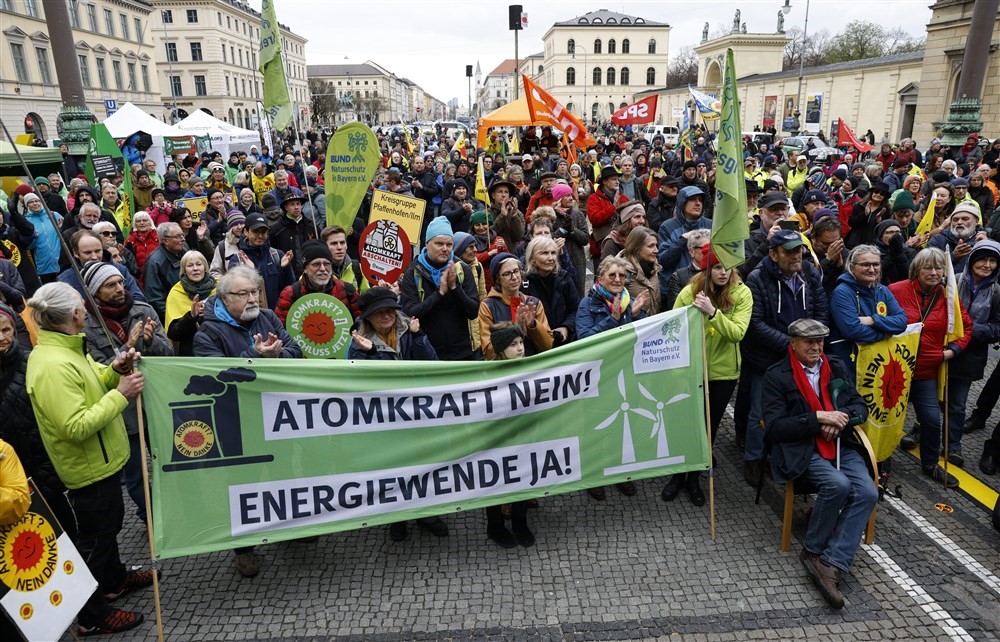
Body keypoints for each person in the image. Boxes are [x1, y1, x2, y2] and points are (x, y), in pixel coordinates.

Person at [25, 282, 151, 634]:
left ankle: (113, 582)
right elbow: (75, 426)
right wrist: (121, 395)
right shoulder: (52, 364)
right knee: (95, 541)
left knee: (108, 529)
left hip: (102, 461)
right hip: (87, 468)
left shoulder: (68, 350)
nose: (85, 309)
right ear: (74, 314)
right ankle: (90, 616)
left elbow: (96, 381)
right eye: (81, 305)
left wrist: (116, 369)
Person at [192, 265, 302, 577]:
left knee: (284, 475)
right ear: (225, 298)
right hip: (236, 421)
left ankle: (288, 527)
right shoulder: (208, 332)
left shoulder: (267, 316)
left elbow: (294, 349)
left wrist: (278, 357)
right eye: (244, 294)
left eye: (254, 291)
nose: (252, 298)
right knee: (243, 487)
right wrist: (253, 358)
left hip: (276, 414)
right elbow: (214, 374)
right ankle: (245, 548)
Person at [763, 318, 875, 610]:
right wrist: (818, 419)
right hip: (803, 448)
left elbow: (860, 405)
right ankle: (813, 550)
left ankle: (830, 561)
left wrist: (842, 418)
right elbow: (774, 427)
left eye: (820, 341)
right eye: (809, 342)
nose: (816, 347)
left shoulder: (835, 365)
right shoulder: (777, 376)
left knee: (867, 493)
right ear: (793, 343)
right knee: (837, 485)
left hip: (840, 443)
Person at [80, 261, 172, 525]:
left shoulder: (142, 309)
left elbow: (168, 354)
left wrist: (151, 341)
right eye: (110, 285)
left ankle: (178, 508)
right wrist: (128, 345)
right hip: (121, 410)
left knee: (169, 461)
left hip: (154, 402)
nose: (120, 288)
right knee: (136, 474)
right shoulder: (85, 324)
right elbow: (96, 370)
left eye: (120, 282)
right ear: (95, 291)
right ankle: (151, 518)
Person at [663, 248, 753, 504]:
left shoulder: (742, 293)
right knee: (686, 424)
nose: (723, 272)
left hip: (722, 373)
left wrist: (713, 313)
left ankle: (694, 477)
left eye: (727, 267)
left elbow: (737, 333)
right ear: (706, 269)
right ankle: (678, 475)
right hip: (690, 370)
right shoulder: (690, 291)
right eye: (716, 267)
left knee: (708, 428)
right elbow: (672, 328)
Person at [742, 230, 830, 486]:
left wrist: (813, 340)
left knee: (795, 410)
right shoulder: (757, 279)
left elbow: (821, 309)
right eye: (789, 251)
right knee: (760, 411)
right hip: (767, 359)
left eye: (799, 250)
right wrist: (792, 346)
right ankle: (753, 459)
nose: (796, 255)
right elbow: (755, 323)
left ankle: (782, 456)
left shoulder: (809, 272)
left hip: (803, 358)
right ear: (773, 253)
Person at [890, 248, 972, 487]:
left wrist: (951, 351)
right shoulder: (895, 290)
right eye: (928, 267)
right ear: (916, 269)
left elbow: (966, 327)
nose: (934, 272)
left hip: (926, 373)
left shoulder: (949, 297)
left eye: (939, 268)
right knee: (888, 419)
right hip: (896, 371)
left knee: (932, 421)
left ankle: (929, 464)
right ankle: (879, 460)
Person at [0, 303, 77, 539]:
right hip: (7, 470)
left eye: (6, 330)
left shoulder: (32, 362)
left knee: (64, 531)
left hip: (42, 463)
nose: (1, 337)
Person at [576, 256, 649, 500]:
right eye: (612, 276)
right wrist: (614, 319)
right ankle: (595, 474)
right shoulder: (587, 304)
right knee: (597, 427)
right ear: (600, 279)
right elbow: (585, 340)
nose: (618, 280)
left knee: (622, 425)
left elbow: (639, 337)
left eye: (622, 276)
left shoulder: (628, 301)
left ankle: (620, 473)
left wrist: (636, 315)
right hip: (598, 377)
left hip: (624, 373)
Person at [482, 321, 537, 548]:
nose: (520, 348)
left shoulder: (530, 367)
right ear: (501, 349)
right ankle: (494, 526)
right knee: (496, 481)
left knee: (522, 476)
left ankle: (520, 522)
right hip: (496, 439)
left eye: (521, 342)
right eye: (513, 344)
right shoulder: (486, 374)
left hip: (522, 435)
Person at [946, 241, 1000, 466]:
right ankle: (920, 431)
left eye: (992, 261)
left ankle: (952, 446)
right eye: (982, 259)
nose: (987, 265)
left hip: (969, 357)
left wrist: (969, 328)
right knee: (928, 399)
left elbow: (997, 328)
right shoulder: (954, 279)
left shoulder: (997, 292)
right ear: (972, 260)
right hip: (941, 349)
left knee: (957, 404)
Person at [399, 217, 480, 361]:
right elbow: (409, 314)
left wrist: (455, 288)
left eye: (449, 245)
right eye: (439, 244)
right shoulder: (413, 272)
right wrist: (439, 293)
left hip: (461, 354)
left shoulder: (461, 269)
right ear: (427, 244)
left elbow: (473, 311)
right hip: (426, 354)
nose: (445, 249)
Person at [827, 244, 908, 370]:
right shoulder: (842, 292)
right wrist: (885, 334)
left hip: (877, 363)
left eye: (876, 264)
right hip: (852, 364)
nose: (871, 269)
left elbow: (902, 322)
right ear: (852, 267)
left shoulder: (883, 290)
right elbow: (852, 330)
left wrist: (873, 320)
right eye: (865, 265)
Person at [479, 253, 553, 358]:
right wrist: (514, 329)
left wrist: (533, 325)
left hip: (535, 369)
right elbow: (489, 352)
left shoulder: (534, 303)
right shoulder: (488, 306)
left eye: (516, 271)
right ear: (497, 279)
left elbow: (548, 346)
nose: (514, 277)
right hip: (506, 370)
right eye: (507, 274)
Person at [275, 240, 361, 325]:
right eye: (316, 264)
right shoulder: (290, 294)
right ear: (305, 269)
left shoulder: (347, 290)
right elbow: (279, 328)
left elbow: (361, 322)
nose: (323, 269)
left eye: (326, 264)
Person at [165, 251, 216, 356]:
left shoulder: (219, 289)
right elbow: (173, 334)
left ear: (205, 268)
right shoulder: (176, 292)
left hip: (217, 347)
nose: (195, 269)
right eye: (190, 265)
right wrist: (191, 316)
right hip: (190, 351)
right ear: (184, 270)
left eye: (199, 264)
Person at [657, 186, 712, 284]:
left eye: (700, 200)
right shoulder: (668, 227)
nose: (698, 203)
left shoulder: (711, 225)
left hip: (706, 283)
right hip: (677, 285)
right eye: (692, 199)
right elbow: (664, 260)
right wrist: (682, 239)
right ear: (682, 202)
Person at [143, 222, 187, 321]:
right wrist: (174, 319)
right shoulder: (154, 262)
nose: (183, 239)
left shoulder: (185, 252)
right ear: (166, 241)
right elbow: (155, 298)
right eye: (177, 236)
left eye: (182, 235)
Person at [269, 193, 316, 274]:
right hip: (287, 272)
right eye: (292, 204)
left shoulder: (311, 225)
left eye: (298, 204)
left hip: (309, 271)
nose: (296, 207)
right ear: (286, 207)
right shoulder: (276, 228)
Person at [621, 226, 662, 316]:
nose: (656, 250)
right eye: (651, 246)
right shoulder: (621, 272)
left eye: (656, 245)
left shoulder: (655, 267)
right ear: (636, 248)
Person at [664, 229, 710, 309]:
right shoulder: (678, 277)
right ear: (692, 252)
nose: (710, 251)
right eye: (705, 248)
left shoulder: (721, 273)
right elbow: (675, 310)